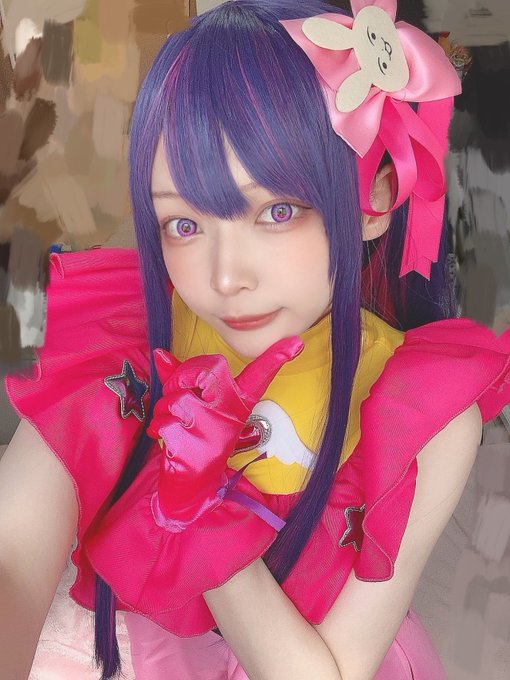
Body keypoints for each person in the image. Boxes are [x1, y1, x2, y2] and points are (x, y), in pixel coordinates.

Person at [1, 1, 510, 678]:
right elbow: (13, 556)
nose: (224, 277)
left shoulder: (425, 414)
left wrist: (202, 514)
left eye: (277, 210)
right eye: (183, 224)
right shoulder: (130, 336)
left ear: (375, 202)